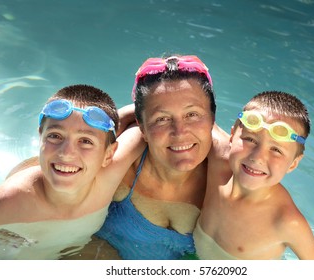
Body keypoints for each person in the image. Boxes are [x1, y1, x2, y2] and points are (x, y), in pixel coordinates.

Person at [0, 84, 145, 259]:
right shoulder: (12, 199)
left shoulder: (109, 174)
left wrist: (108, 130)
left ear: (108, 154)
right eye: (55, 136)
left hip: (68, 247)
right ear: (40, 137)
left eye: (85, 141)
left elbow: (146, 115)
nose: (66, 153)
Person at [94, 55, 230, 259]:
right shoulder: (120, 165)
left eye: (192, 114)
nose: (180, 132)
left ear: (212, 119)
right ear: (142, 127)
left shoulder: (231, 177)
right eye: (162, 119)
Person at [193, 91, 314, 260]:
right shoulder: (218, 160)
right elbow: (192, 119)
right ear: (232, 135)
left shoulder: (286, 221)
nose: (257, 157)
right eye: (250, 139)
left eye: (276, 150)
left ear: (293, 163)